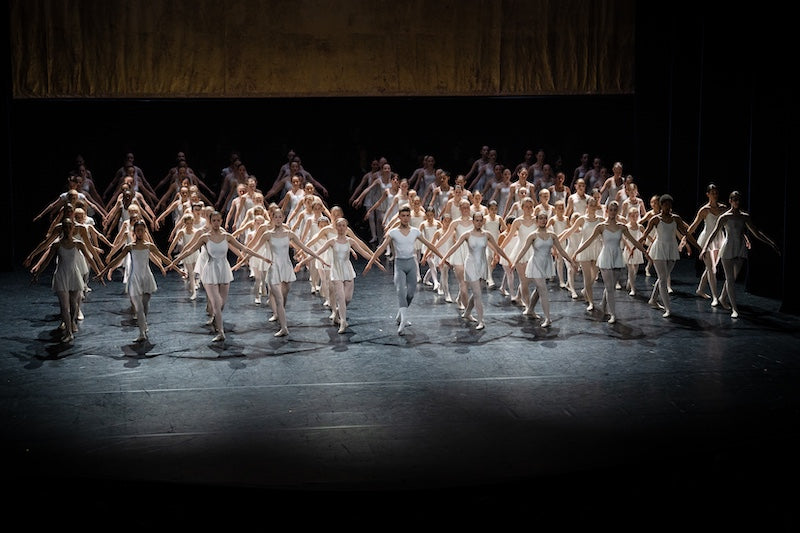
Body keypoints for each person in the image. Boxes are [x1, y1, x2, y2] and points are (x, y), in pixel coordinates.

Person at [167, 211, 271, 342]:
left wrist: (262, 257)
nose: (216, 223)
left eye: (218, 220)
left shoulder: (226, 236)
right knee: (216, 303)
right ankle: (221, 332)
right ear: (210, 222)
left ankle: (216, 319)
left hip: (224, 269)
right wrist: (174, 262)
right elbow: (190, 250)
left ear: (221, 221)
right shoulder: (205, 237)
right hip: (210, 269)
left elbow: (244, 248)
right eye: (214, 220)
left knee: (222, 303)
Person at [232, 208, 328, 337]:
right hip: (273, 267)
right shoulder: (267, 234)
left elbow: (304, 247)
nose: (277, 219)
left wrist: (318, 258)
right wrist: (241, 262)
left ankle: (279, 312)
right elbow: (254, 248)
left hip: (286, 267)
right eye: (275, 217)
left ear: (283, 218)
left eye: (280, 217)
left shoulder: (289, 234)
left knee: (284, 295)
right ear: (272, 218)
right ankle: (284, 327)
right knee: (279, 298)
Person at [363, 205, 443, 335]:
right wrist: (371, 262)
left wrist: (443, 257)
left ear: (410, 217)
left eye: (407, 216)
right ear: (399, 217)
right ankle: (404, 321)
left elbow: (429, 245)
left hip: (411, 264)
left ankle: (400, 315)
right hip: (399, 264)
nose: (405, 218)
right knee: (400, 290)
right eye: (403, 216)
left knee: (410, 293)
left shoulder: (415, 231)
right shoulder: (393, 232)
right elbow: (382, 247)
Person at [700, 190, 780, 319]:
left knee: (733, 278)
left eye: (738, 199)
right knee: (730, 279)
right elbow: (714, 233)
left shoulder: (744, 216)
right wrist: (705, 248)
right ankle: (734, 309)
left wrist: (771, 243)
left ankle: (722, 298)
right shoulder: (724, 217)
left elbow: (756, 232)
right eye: (734, 199)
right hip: (728, 248)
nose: (737, 202)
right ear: (730, 201)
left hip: (740, 249)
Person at [570, 201, 651, 324]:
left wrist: (645, 252)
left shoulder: (622, 227)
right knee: (609, 288)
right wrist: (576, 252)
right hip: (606, 257)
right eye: (611, 210)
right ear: (607, 211)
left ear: (617, 211)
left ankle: (603, 304)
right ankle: (612, 314)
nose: (613, 212)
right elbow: (589, 241)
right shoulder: (601, 226)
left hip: (617, 257)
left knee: (611, 287)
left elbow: (634, 241)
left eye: (615, 210)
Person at [297, 217, 381, 333]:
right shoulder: (331, 241)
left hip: (347, 270)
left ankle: (337, 312)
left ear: (346, 228)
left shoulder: (350, 241)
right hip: (336, 270)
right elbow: (317, 252)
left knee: (347, 298)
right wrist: (301, 262)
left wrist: (376, 262)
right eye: (339, 226)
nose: (341, 228)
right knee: (341, 298)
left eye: (343, 226)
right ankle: (343, 322)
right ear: (336, 228)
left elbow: (363, 253)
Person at [98, 220, 177, 342]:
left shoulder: (149, 246)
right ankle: (141, 333)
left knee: (144, 306)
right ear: (134, 232)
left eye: (142, 230)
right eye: (137, 230)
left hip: (146, 277)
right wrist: (104, 271)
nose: (140, 233)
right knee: (138, 308)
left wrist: (178, 269)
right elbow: (116, 260)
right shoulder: (129, 247)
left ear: (145, 231)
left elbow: (163, 258)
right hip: (135, 278)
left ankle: (144, 325)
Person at [30, 218, 103, 343]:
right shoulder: (57, 245)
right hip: (61, 275)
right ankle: (68, 332)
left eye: (69, 227)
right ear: (62, 228)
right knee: (64, 306)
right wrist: (37, 274)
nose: (67, 229)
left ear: (73, 228)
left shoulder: (78, 244)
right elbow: (47, 261)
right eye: (65, 227)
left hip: (74, 275)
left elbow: (89, 259)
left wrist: (99, 273)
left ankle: (72, 322)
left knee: (73, 304)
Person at [440, 212, 513, 330]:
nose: (479, 223)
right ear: (473, 222)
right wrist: (444, 258)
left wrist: (508, 259)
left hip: (482, 265)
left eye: (480, 220)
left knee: (476, 293)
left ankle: (467, 313)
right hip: (471, 265)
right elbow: (455, 246)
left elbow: (497, 248)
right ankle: (481, 321)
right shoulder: (467, 235)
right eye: (476, 220)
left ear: (483, 221)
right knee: (478, 293)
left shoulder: (487, 235)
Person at [638, 194, 699, 318]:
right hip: (659, 249)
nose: (667, 207)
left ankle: (653, 300)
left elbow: (686, 233)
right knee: (663, 278)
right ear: (661, 205)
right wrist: (636, 247)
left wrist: (698, 247)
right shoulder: (655, 219)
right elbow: (644, 235)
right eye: (665, 204)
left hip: (671, 249)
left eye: (669, 205)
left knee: (663, 277)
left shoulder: (676, 218)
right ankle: (668, 308)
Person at [512, 212, 577, 327]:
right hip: (536, 264)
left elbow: (561, 250)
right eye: (540, 218)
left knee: (539, 289)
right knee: (543, 289)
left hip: (546, 264)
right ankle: (548, 318)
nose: (543, 220)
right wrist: (515, 262)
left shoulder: (552, 235)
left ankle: (530, 309)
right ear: (537, 221)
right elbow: (524, 249)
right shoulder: (533, 235)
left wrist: (571, 261)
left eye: (544, 218)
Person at [683, 183, 727, 306]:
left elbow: (728, 224)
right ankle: (715, 297)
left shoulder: (723, 208)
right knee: (712, 269)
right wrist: (684, 238)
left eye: (716, 192)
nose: (715, 195)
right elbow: (694, 225)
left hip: (719, 239)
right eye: (712, 193)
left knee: (710, 267)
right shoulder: (704, 210)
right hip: (706, 240)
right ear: (708, 194)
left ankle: (700, 290)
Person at [559, 196, 604, 310]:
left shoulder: (601, 220)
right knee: (587, 278)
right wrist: (557, 243)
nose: (593, 207)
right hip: (584, 249)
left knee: (594, 276)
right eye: (591, 205)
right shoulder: (582, 219)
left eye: (594, 205)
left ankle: (585, 291)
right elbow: (570, 231)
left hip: (597, 248)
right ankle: (591, 302)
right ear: (587, 206)